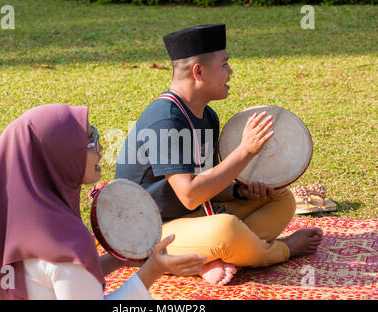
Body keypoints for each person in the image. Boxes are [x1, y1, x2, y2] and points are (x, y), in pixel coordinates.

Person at [114, 24, 323, 286]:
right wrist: (245, 151)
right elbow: (190, 196)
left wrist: (239, 192)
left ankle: (213, 256)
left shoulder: (208, 116)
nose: (231, 72)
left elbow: (208, 185)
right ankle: (279, 250)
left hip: (188, 220)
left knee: (281, 198)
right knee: (226, 229)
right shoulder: (165, 120)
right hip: (148, 234)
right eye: (224, 64)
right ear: (198, 72)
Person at [0, 104, 206, 300]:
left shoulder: (10, 227)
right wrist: (153, 269)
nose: (101, 148)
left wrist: (117, 260)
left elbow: (59, 282)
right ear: (58, 158)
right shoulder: (65, 242)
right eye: (90, 140)